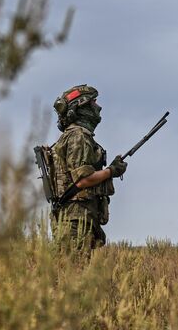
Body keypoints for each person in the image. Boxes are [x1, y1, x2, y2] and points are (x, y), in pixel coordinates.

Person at [49, 84, 126, 252]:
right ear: (82, 106)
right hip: (75, 220)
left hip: (76, 218)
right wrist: (112, 171)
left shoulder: (73, 134)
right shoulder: (79, 136)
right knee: (74, 274)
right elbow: (82, 180)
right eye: (94, 102)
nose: (98, 107)